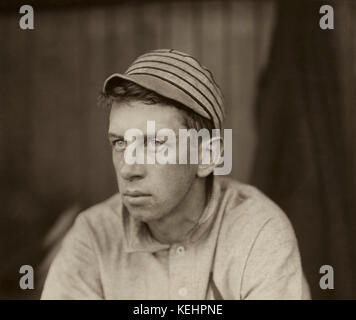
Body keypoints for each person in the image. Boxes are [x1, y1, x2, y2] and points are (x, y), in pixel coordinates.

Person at [41, 49, 310, 299]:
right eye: (120, 143)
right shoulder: (93, 234)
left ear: (206, 156)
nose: (128, 168)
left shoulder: (258, 231)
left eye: (154, 143)